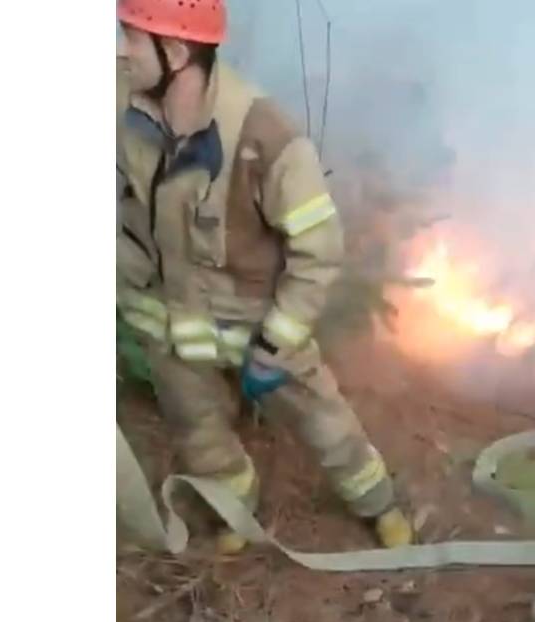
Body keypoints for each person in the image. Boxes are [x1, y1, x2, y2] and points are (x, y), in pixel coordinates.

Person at [115, 0, 413, 553]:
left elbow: (318, 251)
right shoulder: (119, 104)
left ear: (174, 52)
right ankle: (233, 508)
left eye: (130, 36)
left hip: (259, 324)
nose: (119, 50)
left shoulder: (264, 138)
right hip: (167, 325)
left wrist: (275, 345)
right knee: (199, 433)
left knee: (325, 422)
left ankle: (378, 504)